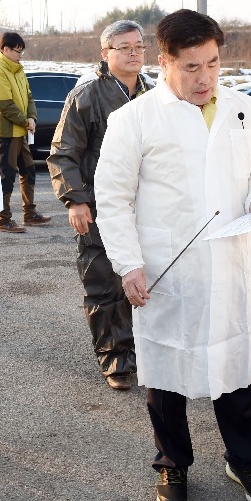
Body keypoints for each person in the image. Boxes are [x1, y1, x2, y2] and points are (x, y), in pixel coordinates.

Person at [94, 9, 251, 501]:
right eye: (190, 67)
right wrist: (128, 264)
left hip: (228, 265)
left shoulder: (242, 110)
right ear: (164, 62)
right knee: (165, 374)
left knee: (236, 371)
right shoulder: (135, 118)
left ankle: (245, 461)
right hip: (164, 269)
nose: (204, 78)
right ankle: (172, 464)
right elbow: (112, 197)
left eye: (212, 64)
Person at [47, 20, 153, 391]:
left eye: (139, 46)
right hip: (99, 207)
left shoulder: (154, 94)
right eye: (124, 47)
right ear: (105, 53)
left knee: (145, 279)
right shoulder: (87, 96)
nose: (133, 52)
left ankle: (144, 352)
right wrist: (75, 200)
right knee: (104, 285)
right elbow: (63, 154)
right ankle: (116, 360)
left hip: (146, 207)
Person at [0, 31, 51, 232]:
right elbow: (4, 104)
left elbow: (29, 97)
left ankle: (29, 213)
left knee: (28, 171)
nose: (20, 55)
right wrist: (25, 121)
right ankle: (3, 219)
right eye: (17, 51)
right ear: (5, 49)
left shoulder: (18, 70)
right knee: (6, 176)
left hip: (21, 131)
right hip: (7, 133)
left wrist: (32, 118)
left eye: (21, 51)